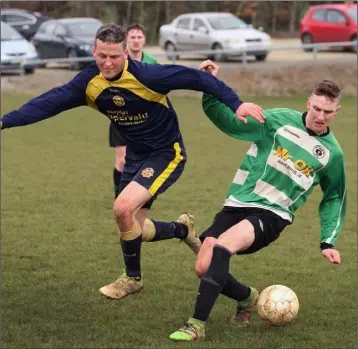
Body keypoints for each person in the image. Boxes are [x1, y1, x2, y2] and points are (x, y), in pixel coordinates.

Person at [0, 26, 265, 301]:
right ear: (93, 51)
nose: (107, 62)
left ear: (126, 53)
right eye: (101, 55)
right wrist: (4, 121)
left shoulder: (148, 75)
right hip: (136, 157)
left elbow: (196, 78)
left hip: (166, 153)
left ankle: (132, 279)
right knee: (131, 226)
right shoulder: (88, 83)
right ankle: (183, 230)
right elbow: (47, 103)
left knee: (121, 207)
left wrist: (236, 104)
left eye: (114, 56)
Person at [169, 60, 346, 341]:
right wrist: (209, 87)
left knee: (222, 248)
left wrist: (328, 241)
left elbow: (334, 197)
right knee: (202, 267)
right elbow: (226, 121)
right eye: (316, 108)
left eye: (327, 112)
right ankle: (247, 297)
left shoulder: (332, 155)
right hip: (238, 203)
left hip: (272, 215)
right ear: (308, 102)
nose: (320, 116)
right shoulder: (276, 121)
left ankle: (195, 324)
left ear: (336, 112)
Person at [110, 23, 157, 199]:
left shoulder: (152, 62)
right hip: (121, 117)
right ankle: (119, 196)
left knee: (142, 161)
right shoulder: (118, 60)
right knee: (122, 161)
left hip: (144, 120)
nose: (136, 41)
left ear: (144, 40)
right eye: (132, 37)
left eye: (139, 37)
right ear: (126, 40)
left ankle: (136, 196)